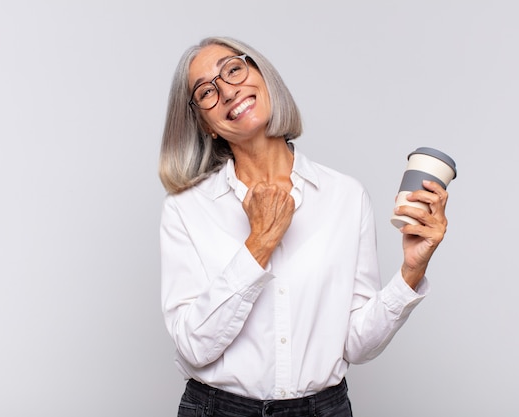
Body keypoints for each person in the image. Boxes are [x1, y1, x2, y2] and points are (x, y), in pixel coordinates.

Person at [158, 36, 449, 417]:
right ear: (205, 124)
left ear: (263, 78)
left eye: (233, 70)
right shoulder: (186, 210)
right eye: (206, 92)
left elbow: (355, 346)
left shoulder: (345, 195)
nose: (227, 91)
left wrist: (412, 271)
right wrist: (258, 245)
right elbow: (194, 347)